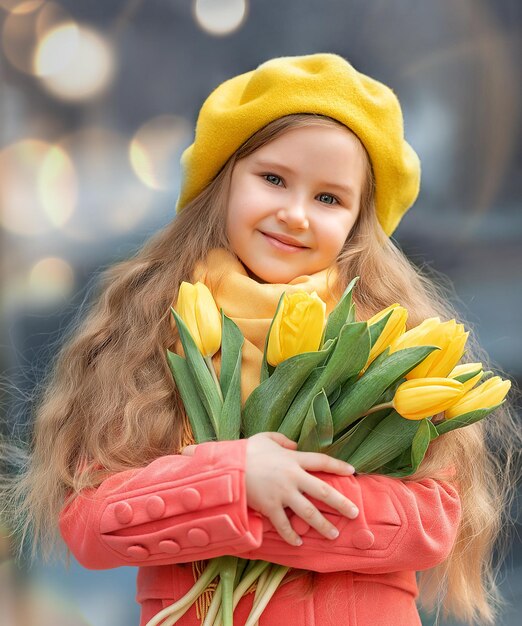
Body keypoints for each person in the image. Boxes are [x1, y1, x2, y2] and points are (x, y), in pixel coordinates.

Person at [3, 53, 520, 626]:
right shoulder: (156, 326)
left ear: (357, 222)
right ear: (223, 183)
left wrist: (240, 508)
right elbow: (89, 521)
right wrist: (234, 479)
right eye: (273, 179)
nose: (295, 214)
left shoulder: (390, 340)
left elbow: (429, 525)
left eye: (329, 198)